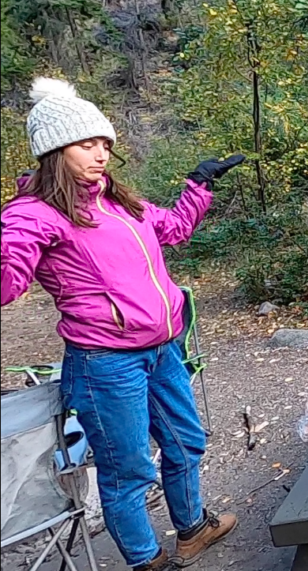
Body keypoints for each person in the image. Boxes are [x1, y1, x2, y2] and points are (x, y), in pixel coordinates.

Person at [1, 78, 244, 570]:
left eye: (105, 144)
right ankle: (145, 560)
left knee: (185, 441)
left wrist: (198, 186)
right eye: (87, 144)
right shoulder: (33, 215)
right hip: (105, 364)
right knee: (127, 469)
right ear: (54, 150)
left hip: (163, 349)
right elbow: (7, 278)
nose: (101, 154)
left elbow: (173, 229)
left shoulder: (119, 203)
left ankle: (193, 528)